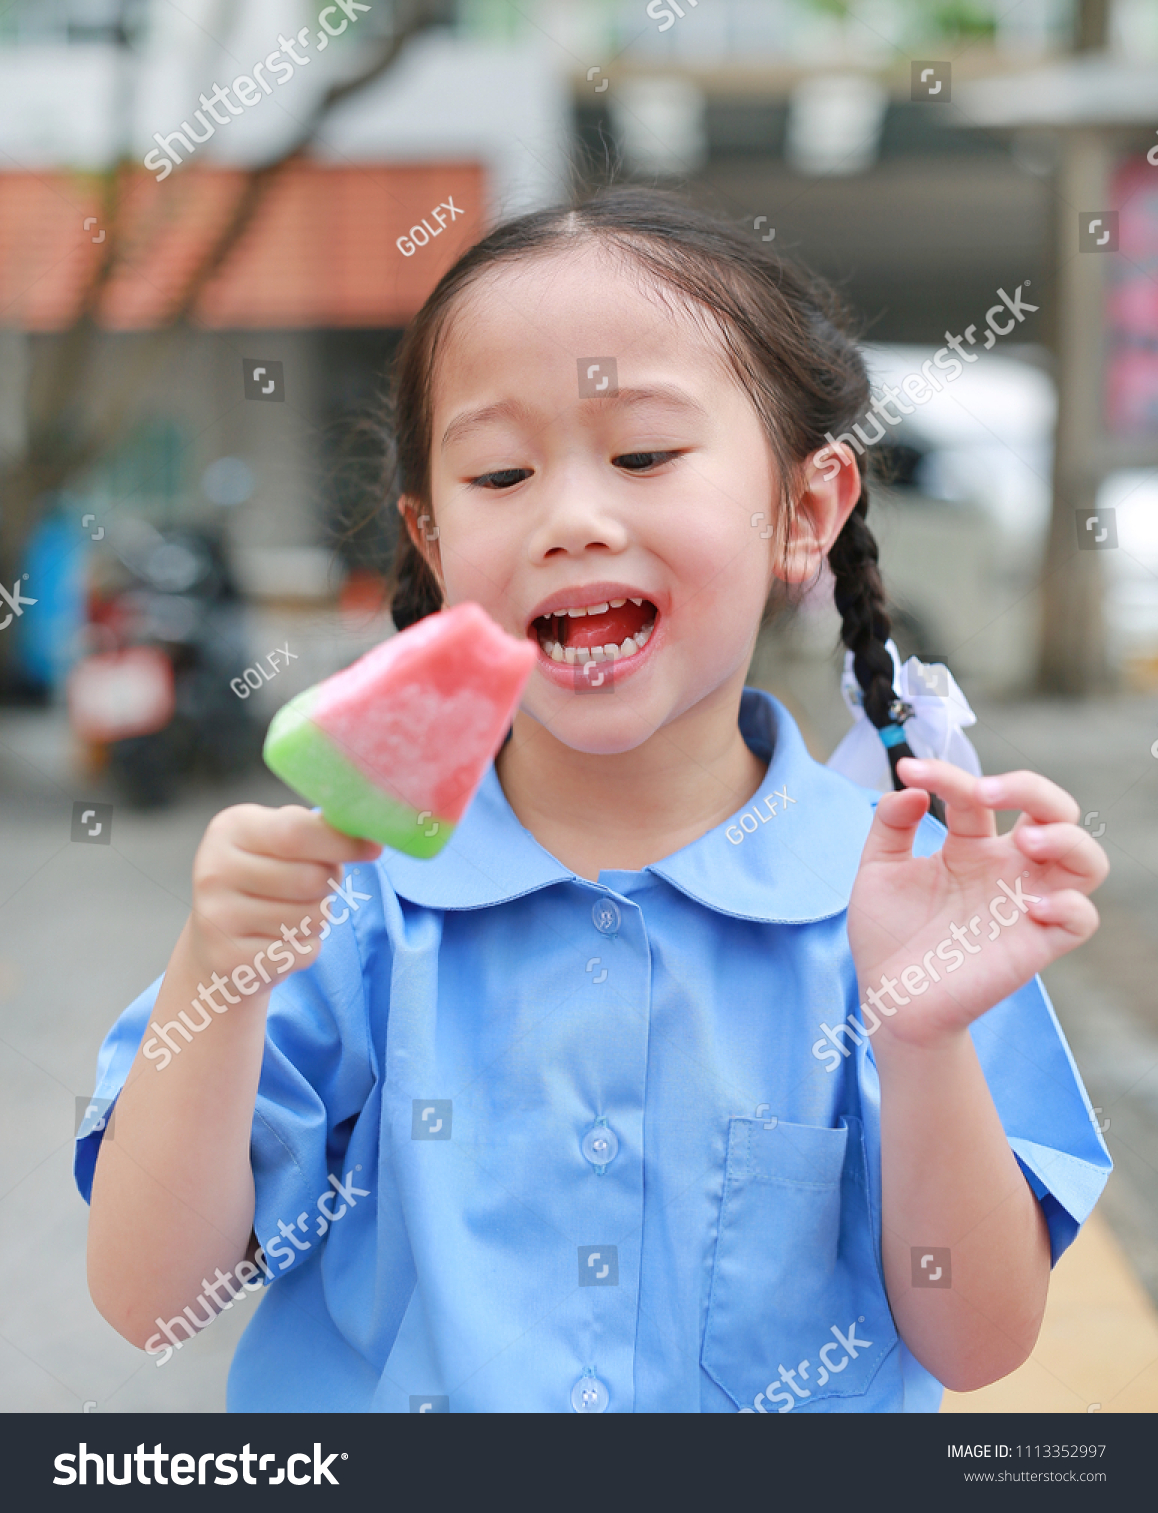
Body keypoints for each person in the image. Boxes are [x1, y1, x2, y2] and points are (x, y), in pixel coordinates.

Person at [78, 189, 1111, 1414]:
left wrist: (926, 1040)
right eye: (501, 471)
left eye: (644, 455)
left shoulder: (911, 901)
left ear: (805, 509)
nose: (571, 518)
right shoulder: (347, 899)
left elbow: (978, 1341)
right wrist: (219, 974)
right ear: (431, 536)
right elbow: (151, 1301)